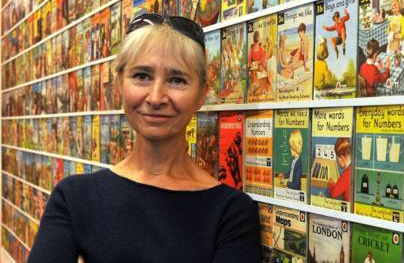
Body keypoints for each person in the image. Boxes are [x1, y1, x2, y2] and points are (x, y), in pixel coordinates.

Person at [28, 13, 261, 263]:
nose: (156, 97)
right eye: (141, 76)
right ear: (119, 83)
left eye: (177, 80)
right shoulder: (74, 198)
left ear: (202, 93)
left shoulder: (232, 213)